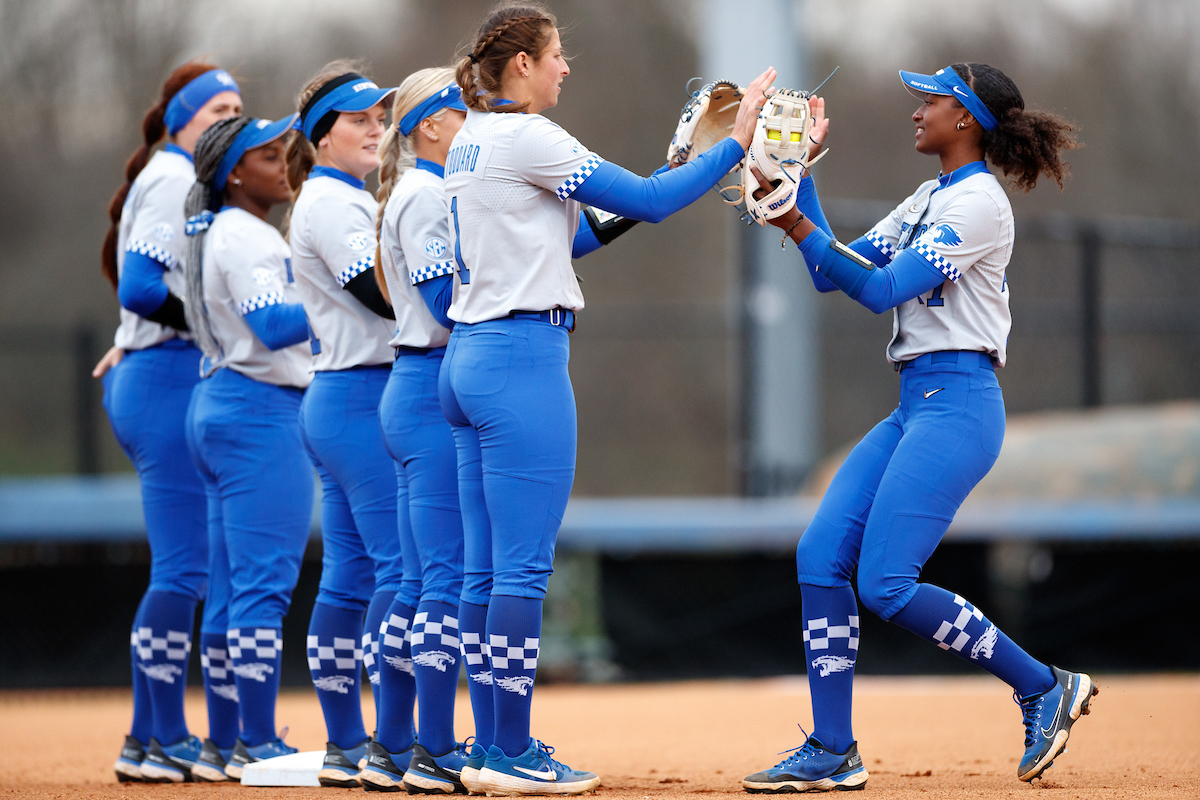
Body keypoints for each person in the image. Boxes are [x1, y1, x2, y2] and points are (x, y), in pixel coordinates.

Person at [440, 4, 774, 794]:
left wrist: (664, 171)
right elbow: (652, 204)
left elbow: (580, 234)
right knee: (520, 572)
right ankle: (514, 752)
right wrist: (736, 142)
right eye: (556, 55)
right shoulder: (529, 135)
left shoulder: (471, 137)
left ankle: (493, 749)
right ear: (520, 63)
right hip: (520, 358)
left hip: (467, 359)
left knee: (484, 574)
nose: (565, 67)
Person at [739, 64, 1089, 793]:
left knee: (887, 583)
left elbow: (883, 291)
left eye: (930, 100)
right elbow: (835, 272)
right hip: (918, 403)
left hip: (960, 404)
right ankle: (834, 749)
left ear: (966, 119)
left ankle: (1041, 685)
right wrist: (799, 177)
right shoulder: (932, 195)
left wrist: (796, 221)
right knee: (819, 556)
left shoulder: (981, 204)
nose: (916, 111)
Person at [98, 61, 242, 783]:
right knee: (186, 568)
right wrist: (213, 327)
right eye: (216, 105)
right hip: (163, 380)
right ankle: (158, 739)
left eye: (237, 106)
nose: (229, 115)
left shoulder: (183, 175)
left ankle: (150, 736)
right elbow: (140, 285)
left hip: (164, 373)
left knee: (195, 567)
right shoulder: (171, 176)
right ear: (182, 116)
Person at [179, 113, 314, 781]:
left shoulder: (226, 230)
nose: (282, 161)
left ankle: (222, 741)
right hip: (260, 412)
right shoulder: (245, 235)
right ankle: (256, 742)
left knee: (232, 591)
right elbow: (272, 324)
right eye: (266, 155)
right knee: (261, 587)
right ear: (234, 174)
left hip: (221, 403)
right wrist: (340, 296)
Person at [284, 60, 407, 788]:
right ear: (320, 136)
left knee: (353, 576)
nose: (375, 129)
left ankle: (348, 743)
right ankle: (390, 742)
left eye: (379, 117)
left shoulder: (338, 198)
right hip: (360, 396)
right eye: (359, 119)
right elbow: (383, 296)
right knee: (398, 569)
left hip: (340, 394)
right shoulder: (332, 204)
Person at [360, 67, 473, 794]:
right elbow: (441, 300)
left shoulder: (415, 190)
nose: (473, 122)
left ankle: (390, 746)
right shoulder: (427, 192)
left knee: (412, 580)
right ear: (430, 124)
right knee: (446, 579)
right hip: (428, 386)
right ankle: (434, 750)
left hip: (410, 386)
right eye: (461, 111)